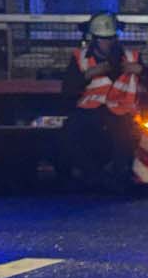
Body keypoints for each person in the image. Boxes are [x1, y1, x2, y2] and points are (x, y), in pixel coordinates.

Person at [60, 13, 143, 188]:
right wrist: (88, 75)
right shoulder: (81, 58)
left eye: (112, 38)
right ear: (93, 39)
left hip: (121, 111)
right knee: (70, 133)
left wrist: (141, 70)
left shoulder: (130, 57)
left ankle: (119, 176)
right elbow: (68, 89)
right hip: (89, 112)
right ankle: (91, 175)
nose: (108, 43)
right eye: (104, 39)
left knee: (124, 136)